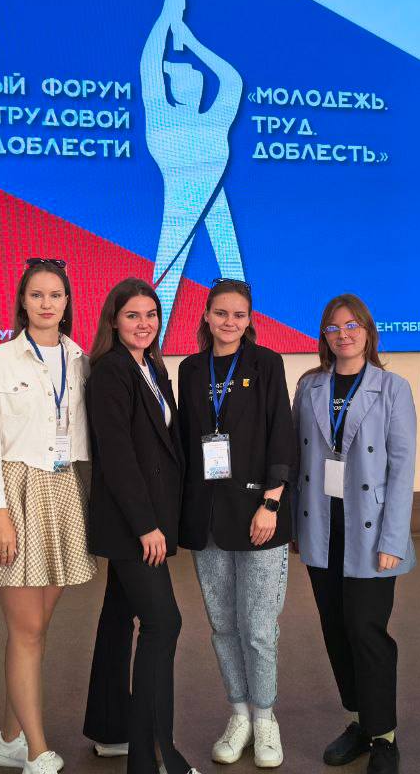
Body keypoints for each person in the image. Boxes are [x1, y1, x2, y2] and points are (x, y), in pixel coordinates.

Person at [0, 257, 95, 774]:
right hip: (13, 495)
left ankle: (9, 737)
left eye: (55, 295)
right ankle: (36, 750)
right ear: (22, 301)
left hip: (61, 492)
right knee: (27, 628)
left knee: (34, 630)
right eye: (37, 295)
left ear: (67, 302)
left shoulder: (81, 359)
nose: (46, 303)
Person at [82, 278, 203, 774]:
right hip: (133, 526)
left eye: (151, 315)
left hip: (149, 519)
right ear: (114, 320)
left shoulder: (151, 366)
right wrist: (146, 525)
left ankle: (111, 728)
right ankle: (154, 757)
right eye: (133, 315)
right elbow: (118, 457)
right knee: (163, 623)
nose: (144, 323)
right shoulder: (111, 371)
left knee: (118, 618)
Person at [293, 294, 416, 774]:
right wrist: (296, 525)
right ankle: (360, 721)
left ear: (367, 331)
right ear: (323, 336)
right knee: (335, 627)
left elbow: (402, 468)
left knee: (366, 629)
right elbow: (299, 458)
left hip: (371, 526)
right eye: (333, 327)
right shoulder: (309, 385)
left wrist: (393, 539)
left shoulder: (392, 387)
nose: (342, 334)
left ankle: (384, 736)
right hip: (322, 524)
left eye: (351, 326)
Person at [177, 280, 296, 768]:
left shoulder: (266, 364)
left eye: (239, 314)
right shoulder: (189, 370)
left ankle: (266, 718)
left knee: (259, 628)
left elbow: (282, 434)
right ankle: (240, 714)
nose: (230, 322)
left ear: (250, 320)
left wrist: (271, 502)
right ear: (206, 316)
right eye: (221, 313)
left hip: (258, 515)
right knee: (223, 625)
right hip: (208, 517)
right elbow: (186, 443)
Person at [129, 0, 245, 344]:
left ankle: (247, 352)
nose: (191, 79)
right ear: (172, 86)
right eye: (182, 76)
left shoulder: (214, 118)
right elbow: (149, 64)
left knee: (235, 278)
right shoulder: (162, 117)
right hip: (180, 207)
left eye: (195, 75)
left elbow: (231, 80)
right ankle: (150, 356)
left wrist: (192, 41)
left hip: (215, 201)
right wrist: (167, 12)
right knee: (163, 286)